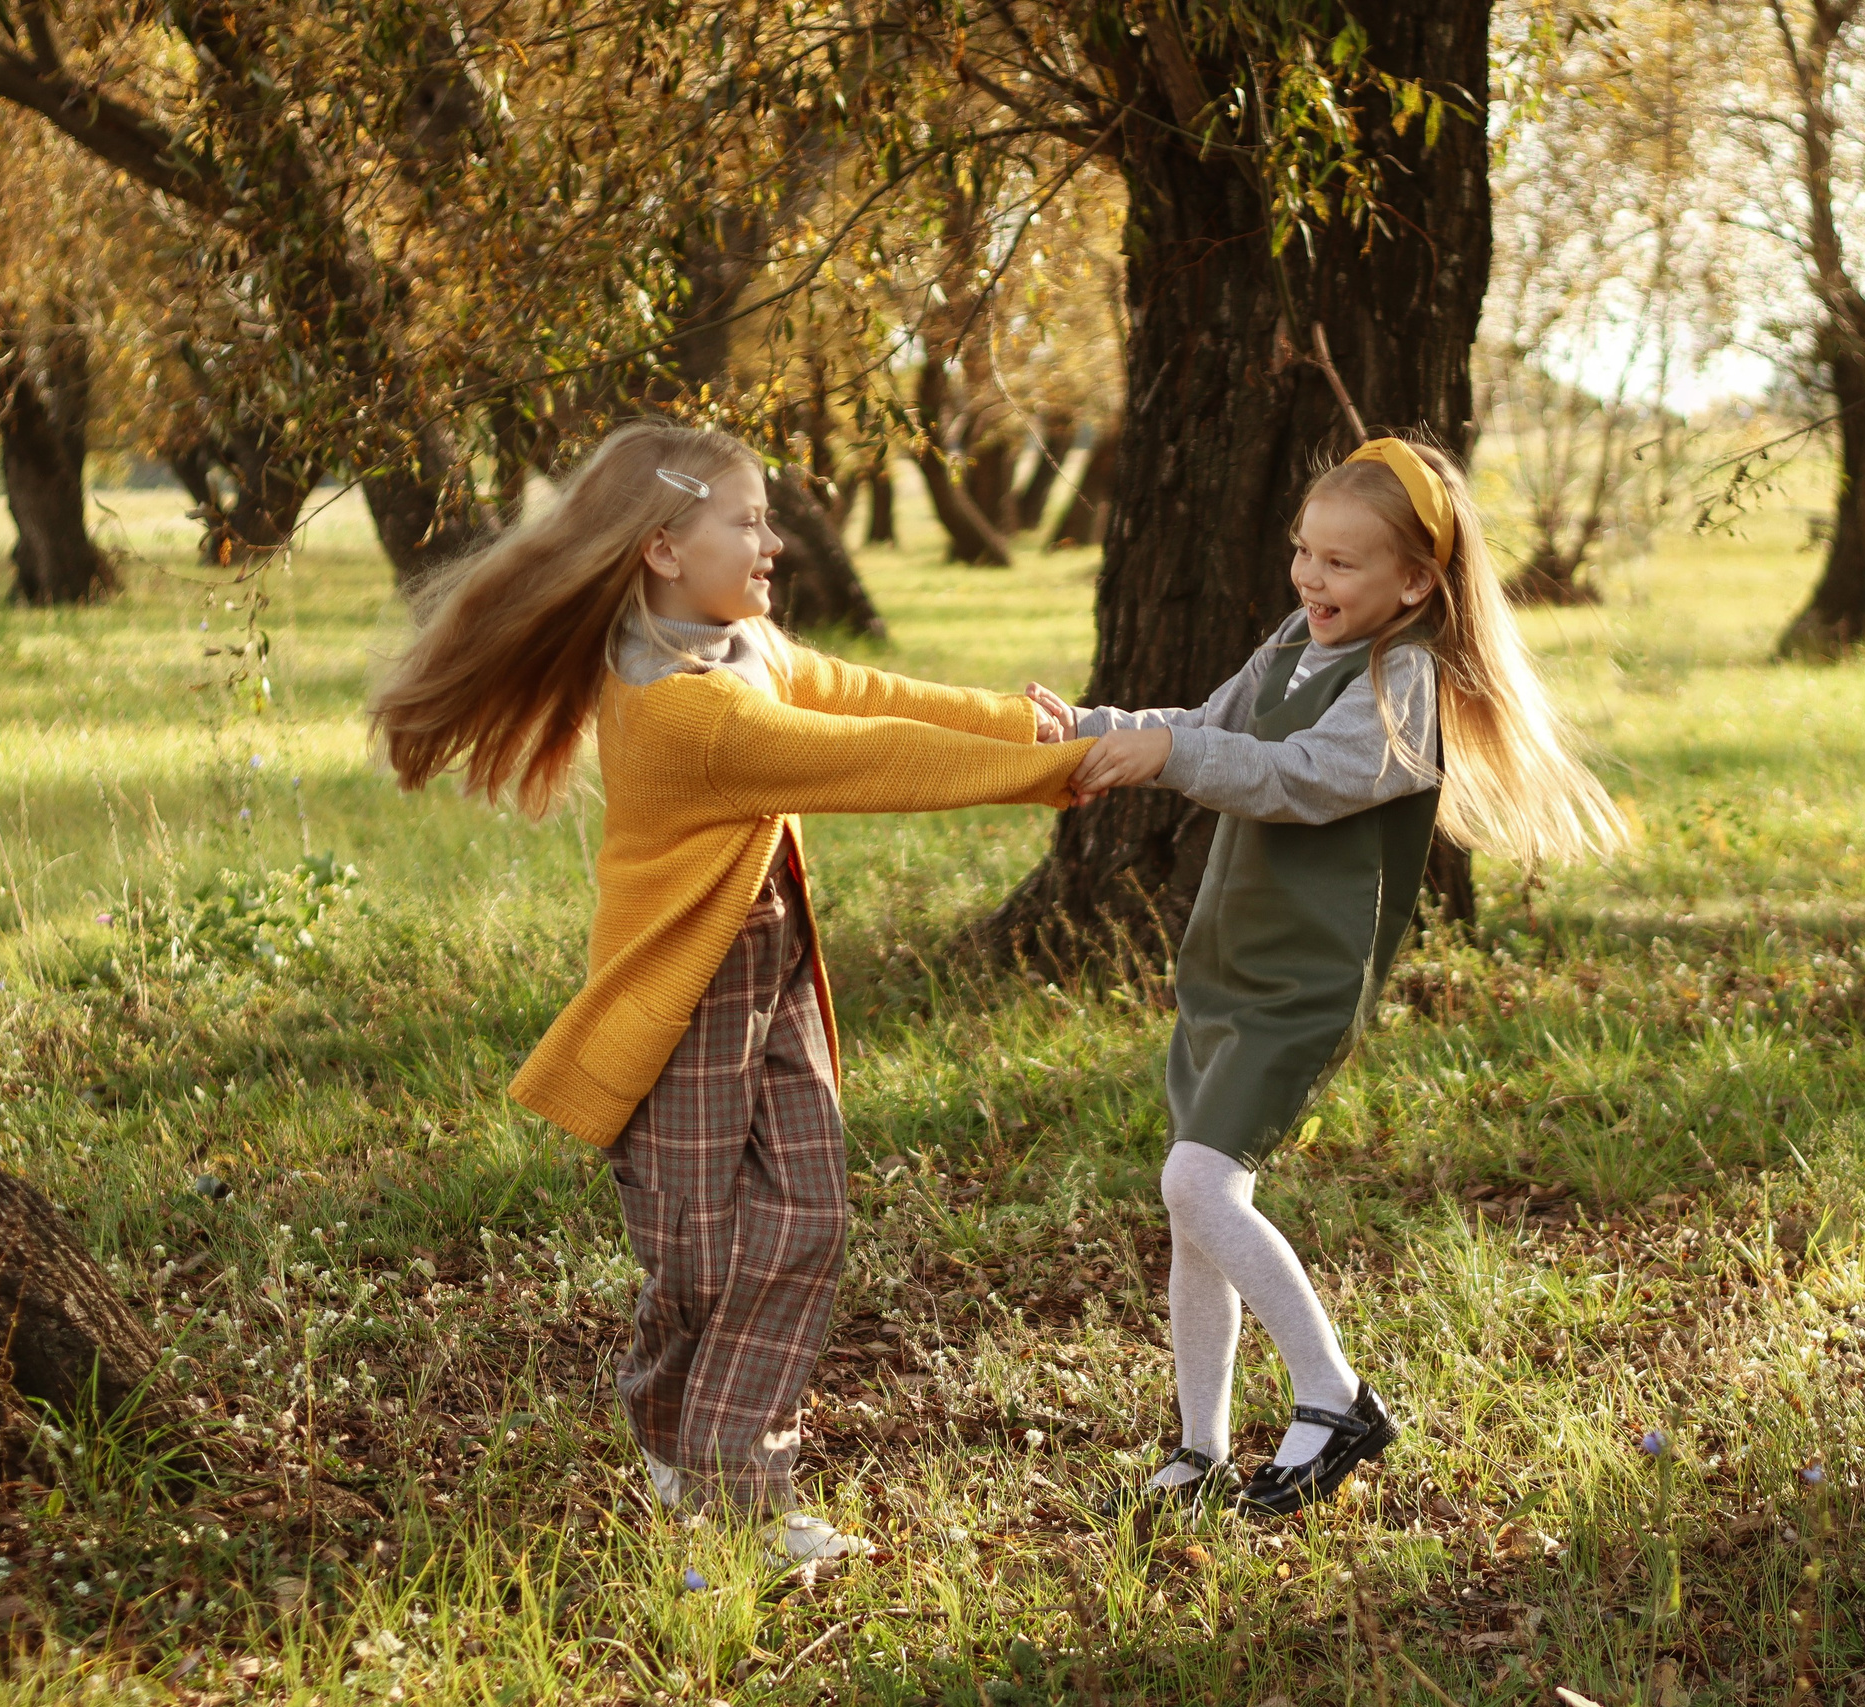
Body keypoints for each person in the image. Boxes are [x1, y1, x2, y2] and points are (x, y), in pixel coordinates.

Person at [371, 422, 1090, 1560]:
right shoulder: (684, 712)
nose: (774, 540)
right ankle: (675, 1438)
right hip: (683, 996)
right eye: (747, 521)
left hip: (774, 966)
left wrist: (1026, 722)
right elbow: (872, 762)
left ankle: (733, 1487)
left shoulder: (736, 641)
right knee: (695, 1258)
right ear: (661, 549)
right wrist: (1060, 767)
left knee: (807, 1215)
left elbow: (857, 691)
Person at [1038, 436, 1624, 1518]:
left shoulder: (1404, 684)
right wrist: (1096, 731)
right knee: (1195, 1211)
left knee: (1198, 1185)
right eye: (1304, 552)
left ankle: (1334, 1398)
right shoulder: (1288, 643)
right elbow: (1208, 730)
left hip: (1301, 983)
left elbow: (1295, 781)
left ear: (1414, 581)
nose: (1311, 577)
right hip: (1222, 966)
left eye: (1342, 563)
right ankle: (1198, 1448)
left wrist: (1170, 760)